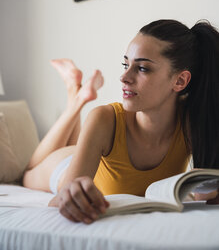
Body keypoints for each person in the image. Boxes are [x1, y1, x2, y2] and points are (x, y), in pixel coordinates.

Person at [23, 19, 219, 224]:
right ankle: (76, 99)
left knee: (74, 146)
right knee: (27, 172)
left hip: (92, 152)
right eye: (126, 64)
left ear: (180, 81)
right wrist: (68, 193)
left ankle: (77, 93)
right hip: (64, 166)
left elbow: (205, 199)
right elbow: (58, 202)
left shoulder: (193, 123)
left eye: (142, 68)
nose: (124, 77)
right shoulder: (104, 119)